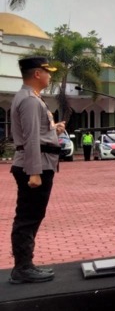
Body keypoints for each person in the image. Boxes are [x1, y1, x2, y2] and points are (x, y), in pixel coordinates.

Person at [8, 57, 62, 284]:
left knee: (31, 215)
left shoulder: (31, 98)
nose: (50, 76)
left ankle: (24, 265)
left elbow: (35, 134)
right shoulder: (30, 100)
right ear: (37, 74)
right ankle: (22, 267)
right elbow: (30, 138)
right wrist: (34, 172)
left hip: (38, 161)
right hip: (35, 164)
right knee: (28, 217)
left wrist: (53, 130)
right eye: (47, 72)